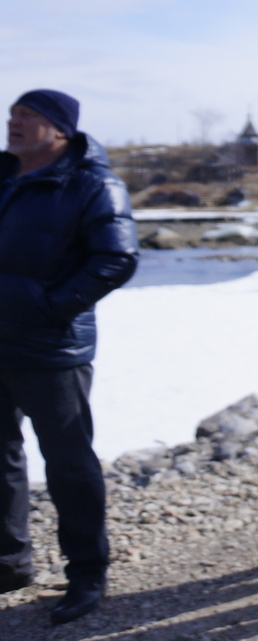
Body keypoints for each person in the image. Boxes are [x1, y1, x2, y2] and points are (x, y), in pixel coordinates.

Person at [0, 90, 138, 625]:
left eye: (26, 116)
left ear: (59, 129)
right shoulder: (5, 176)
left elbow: (118, 257)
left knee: (68, 464)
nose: (13, 124)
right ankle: (11, 562)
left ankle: (87, 573)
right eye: (11, 115)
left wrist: (50, 307)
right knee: (2, 457)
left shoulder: (92, 182)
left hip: (52, 347)